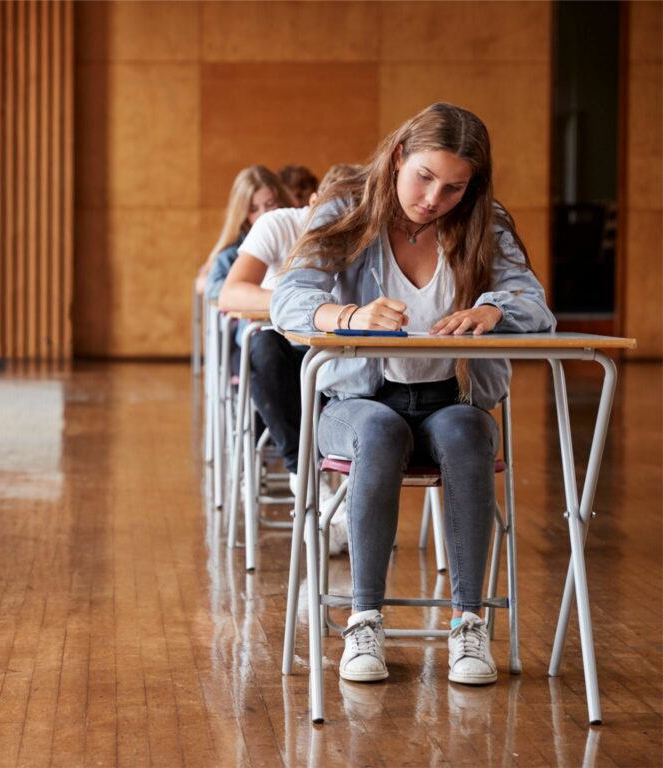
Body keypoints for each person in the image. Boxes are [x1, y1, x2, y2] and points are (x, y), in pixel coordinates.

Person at [271, 103, 555, 686]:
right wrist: (350, 314)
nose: (433, 199)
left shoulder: (484, 221)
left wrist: (491, 308)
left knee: (470, 431)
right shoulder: (346, 209)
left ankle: (470, 625)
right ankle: (363, 619)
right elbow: (288, 298)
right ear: (399, 156)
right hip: (356, 406)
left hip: (449, 399)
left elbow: (536, 305)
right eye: (425, 176)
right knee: (379, 431)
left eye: (454, 188)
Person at [219, 164, 362, 555]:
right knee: (263, 348)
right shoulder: (279, 224)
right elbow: (230, 295)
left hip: (340, 351)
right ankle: (304, 472)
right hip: (284, 343)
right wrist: (308, 306)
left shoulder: (367, 234)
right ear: (313, 202)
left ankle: (351, 496)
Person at [196, 166, 293, 299]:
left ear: (281, 201)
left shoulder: (295, 231)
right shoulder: (233, 251)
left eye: (270, 204)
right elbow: (213, 288)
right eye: (254, 209)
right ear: (243, 213)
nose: (264, 214)